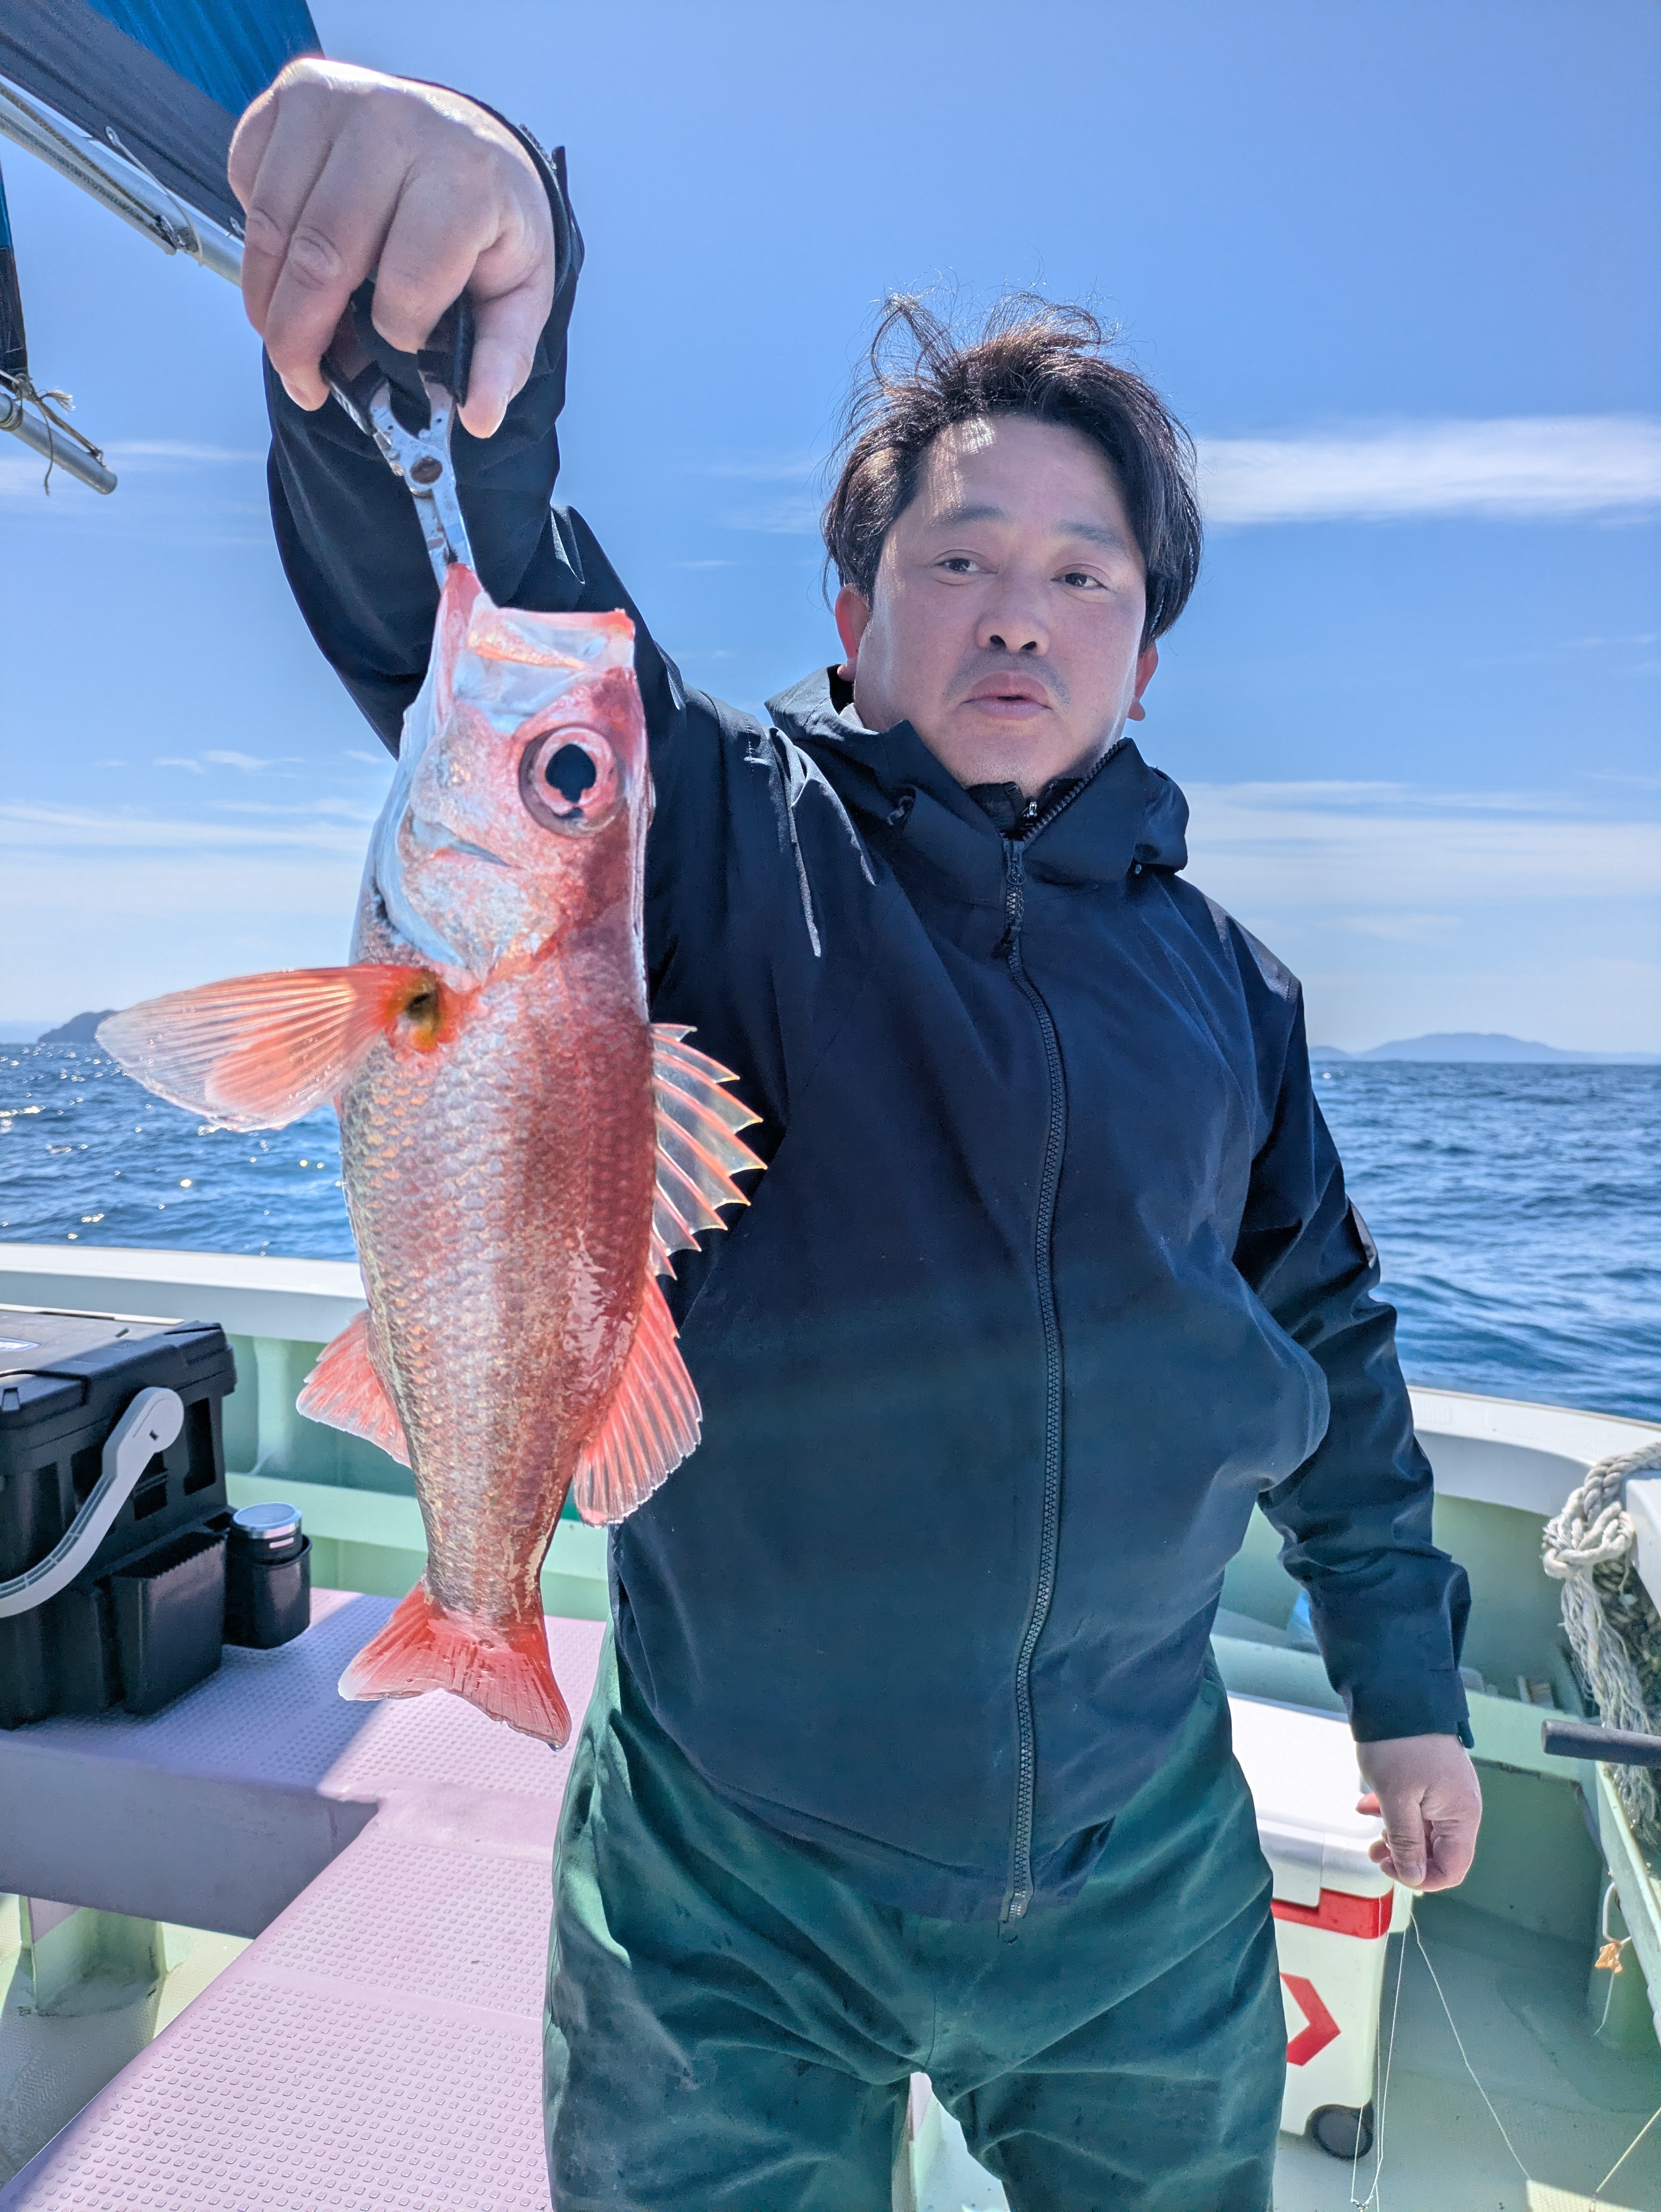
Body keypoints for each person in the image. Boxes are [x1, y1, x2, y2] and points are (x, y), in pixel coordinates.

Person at [228, 60, 1484, 2212]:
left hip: (1138, 1863)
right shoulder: (715, 842)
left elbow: (1331, 1347)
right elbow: (483, 611)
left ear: (1145, 660)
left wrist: (1407, 1679)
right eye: (957, 557)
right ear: (853, 620)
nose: (1018, 609)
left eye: (1083, 575)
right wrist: (456, 295)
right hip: (727, 1879)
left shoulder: (1233, 991)